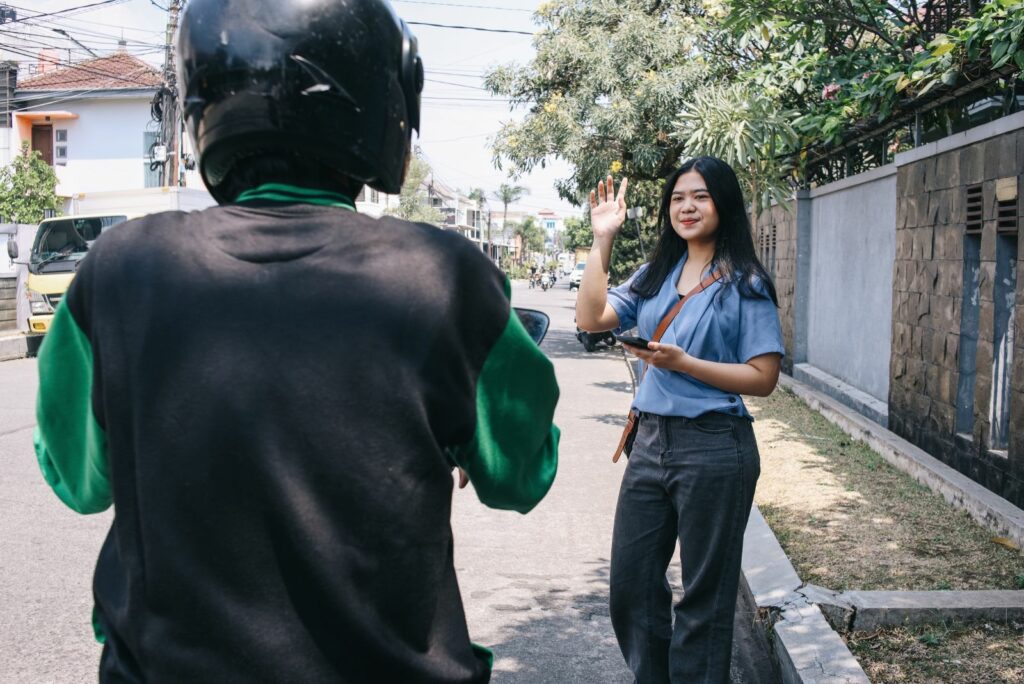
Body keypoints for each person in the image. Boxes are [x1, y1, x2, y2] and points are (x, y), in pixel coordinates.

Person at [33, 1, 559, 681]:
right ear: (381, 99)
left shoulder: (117, 270)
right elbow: (522, 478)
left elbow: (80, 482)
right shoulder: (446, 276)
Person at [576, 157, 784, 683]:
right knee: (632, 586)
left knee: (704, 601)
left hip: (715, 447)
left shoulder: (745, 282)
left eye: (701, 197)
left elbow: (762, 377)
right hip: (649, 445)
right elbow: (590, 318)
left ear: (724, 205)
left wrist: (683, 363)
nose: (686, 207)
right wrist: (602, 240)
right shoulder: (655, 274)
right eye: (678, 198)